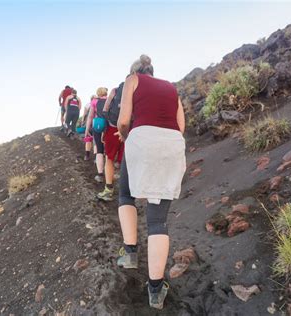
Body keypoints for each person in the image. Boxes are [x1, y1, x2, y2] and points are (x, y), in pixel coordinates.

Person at [116, 55, 186, 310]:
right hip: (171, 145)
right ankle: (155, 290)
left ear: (135, 71)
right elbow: (181, 126)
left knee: (126, 195)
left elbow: (123, 120)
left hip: (142, 139)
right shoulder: (171, 87)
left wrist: (127, 137)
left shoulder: (131, 80)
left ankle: (130, 253)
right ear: (153, 72)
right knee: (158, 220)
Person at [96, 82, 125, 201]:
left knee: (109, 158)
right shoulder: (138, 90)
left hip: (112, 128)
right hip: (129, 128)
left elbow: (105, 110)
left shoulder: (115, 90)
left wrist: (104, 131)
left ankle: (108, 189)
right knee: (126, 159)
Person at [85, 87, 108, 183]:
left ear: (98, 93)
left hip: (98, 126)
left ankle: (100, 174)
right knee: (108, 151)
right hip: (109, 126)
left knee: (99, 150)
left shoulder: (94, 101)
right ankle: (109, 173)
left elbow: (90, 116)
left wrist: (87, 129)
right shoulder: (111, 99)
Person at [82, 95, 97, 161]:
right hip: (96, 124)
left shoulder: (87, 105)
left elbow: (84, 115)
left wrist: (82, 122)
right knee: (96, 141)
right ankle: (96, 157)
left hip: (89, 124)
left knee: (88, 140)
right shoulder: (98, 103)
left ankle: (87, 155)